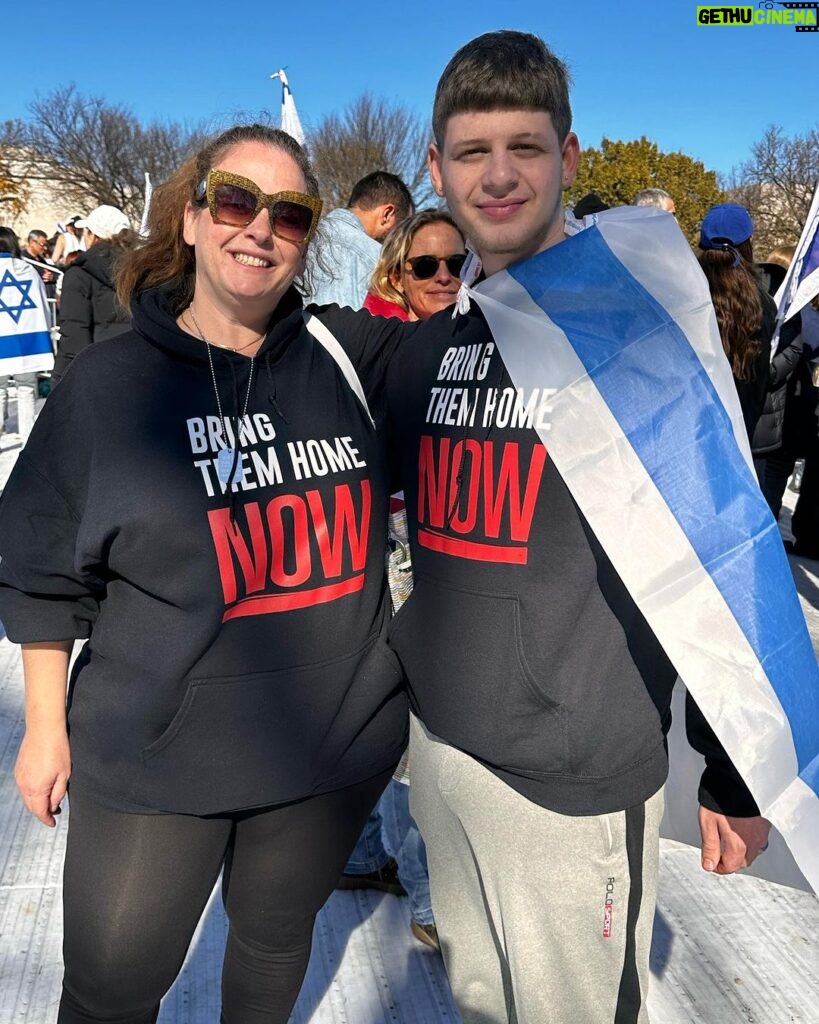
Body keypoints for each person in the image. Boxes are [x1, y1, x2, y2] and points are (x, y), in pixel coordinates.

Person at [303, 30, 771, 1024]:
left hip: (577, 786)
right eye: (472, 152)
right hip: (447, 761)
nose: (500, 174)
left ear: (567, 152)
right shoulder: (433, 344)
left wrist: (735, 767)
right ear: (436, 168)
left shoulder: (634, 333)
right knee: (479, 1003)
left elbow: (725, 546)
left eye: (526, 146)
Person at [0, 123, 408, 1024]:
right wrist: (43, 729)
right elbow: (36, 568)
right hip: (156, 756)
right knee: (110, 989)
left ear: (311, 238)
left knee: (270, 949)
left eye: (290, 214)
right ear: (190, 218)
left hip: (325, 745)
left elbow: (495, 339)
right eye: (234, 200)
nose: (259, 228)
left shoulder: (351, 359)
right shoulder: (111, 388)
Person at [697, 203, 774, 444]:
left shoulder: (684, 294)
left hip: (689, 431)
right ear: (748, 242)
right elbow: (758, 384)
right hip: (739, 435)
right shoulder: (763, 304)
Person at [52, 205, 136, 384]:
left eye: (86, 231)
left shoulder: (79, 274)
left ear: (93, 235)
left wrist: (61, 380)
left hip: (100, 371)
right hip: (143, 369)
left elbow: (74, 334)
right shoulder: (144, 269)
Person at [304, 171, 414, 308]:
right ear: (387, 214)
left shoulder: (300, 237)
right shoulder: (381, 262)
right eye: (401, 228)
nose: (400, 239)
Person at [364, 209, 466, 321]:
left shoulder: (486, 332)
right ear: (397, 279)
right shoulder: (372, 336)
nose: (444, 277)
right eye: (426, 265)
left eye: (457, 264)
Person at [0, 225, 53, 439]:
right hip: (27, 339)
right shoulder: (27, 270)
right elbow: (42, 305)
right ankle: (28, 437)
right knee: (26, 389)